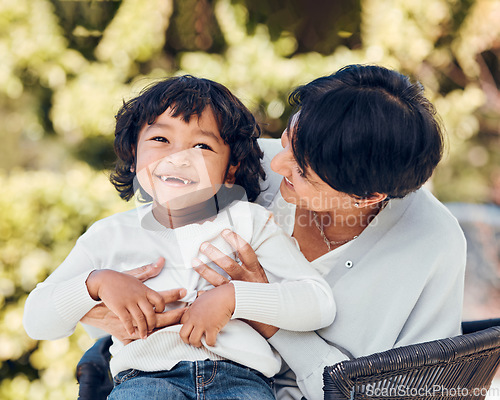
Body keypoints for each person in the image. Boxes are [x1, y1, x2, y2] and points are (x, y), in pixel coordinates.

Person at [77, 65, 467, 400]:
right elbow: (136, 248)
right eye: (284, 142)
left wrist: (260, 308)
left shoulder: (432, 245)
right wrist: (110, 304)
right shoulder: (240, 162)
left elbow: (407, 392)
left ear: (368, 197)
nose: (276, 165)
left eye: (302, 171)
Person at [23, 76, 336, 399]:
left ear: (231, 168)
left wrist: (233, 298)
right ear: (133, 154)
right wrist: (96, 283)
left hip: (241, 382)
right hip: (144, 381)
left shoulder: (251, 224)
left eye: (202, 146)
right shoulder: (109, 235)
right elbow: (36, 321)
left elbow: (318, 304)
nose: (179, 157)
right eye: (160, 139)